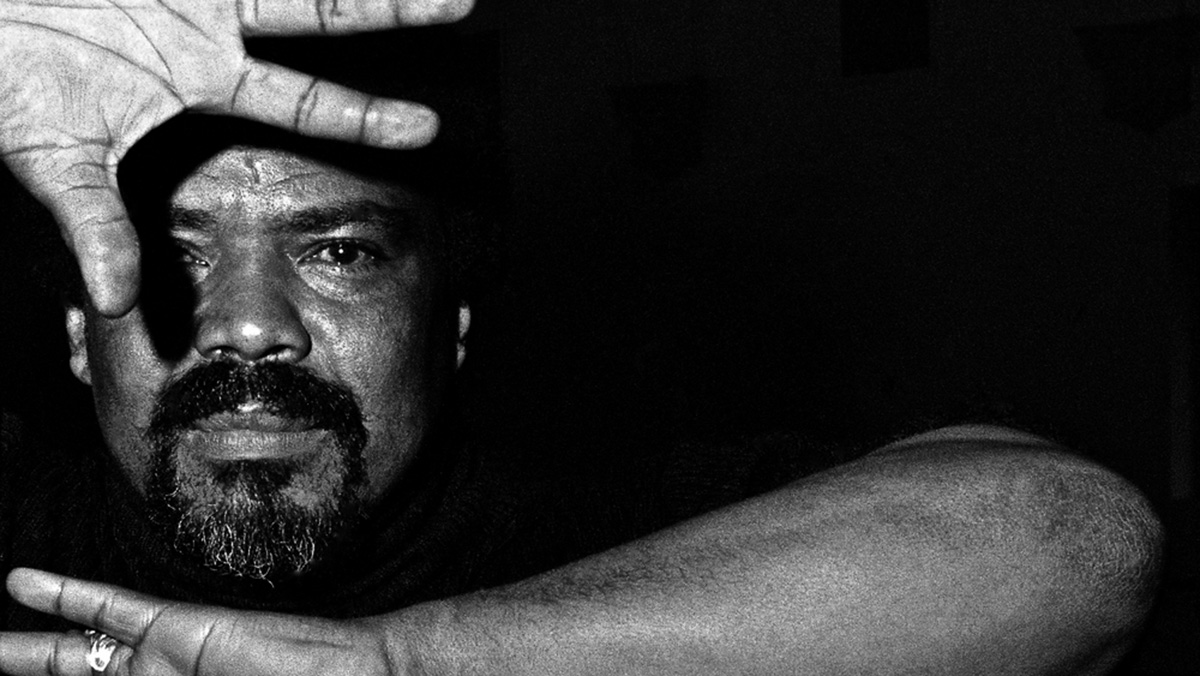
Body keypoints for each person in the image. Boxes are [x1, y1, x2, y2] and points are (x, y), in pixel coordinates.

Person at [0, 1, 1166, 674]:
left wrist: (410, 666)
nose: (250, 322)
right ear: (72, 334)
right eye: (175, 252)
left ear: (450, 329)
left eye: (339, 251)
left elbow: (1086, 546)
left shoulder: (607, 533)